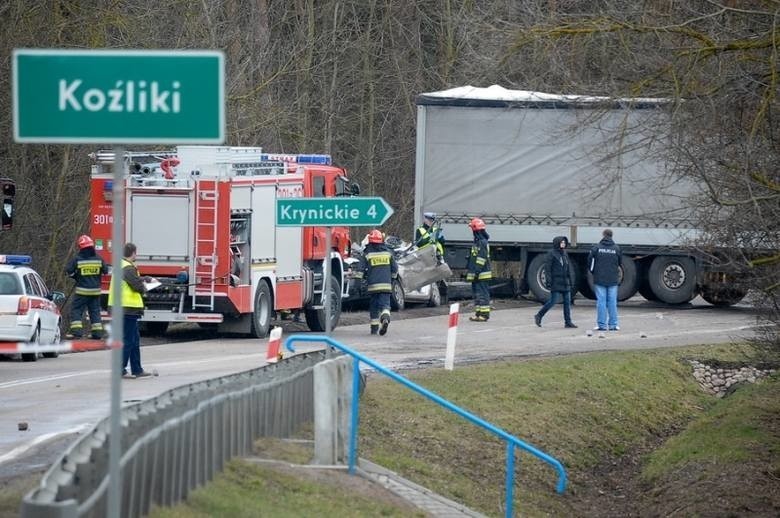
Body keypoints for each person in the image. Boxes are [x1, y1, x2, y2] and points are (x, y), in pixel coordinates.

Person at [108, 242, 152, 379]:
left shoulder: (121, 266)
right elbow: (137, 286)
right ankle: (120, 369)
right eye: (136, 253)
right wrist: (148, 285)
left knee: (134, 340)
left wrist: (144, 279)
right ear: (133, 253)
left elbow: (133, 280)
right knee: (128, 340)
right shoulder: (128, 268)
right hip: (127, 309)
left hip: (123, 309)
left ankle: (137, 369)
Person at [354, 229, 398, 335]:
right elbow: (395, 269)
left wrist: (358, 285)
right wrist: (391, 280)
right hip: (386, 286)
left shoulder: (367, 254)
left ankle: (374, 329)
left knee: (374, 307)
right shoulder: (388, 253)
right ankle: (385, 318)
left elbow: (359, 271)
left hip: (373, 287)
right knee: (385, 306)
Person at [65, 235, 108, 339]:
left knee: (76, 310)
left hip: (82, 292)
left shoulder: (77, 259)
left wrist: (76, 277)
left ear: (81, 247)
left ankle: (77, 333)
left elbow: (68, 270)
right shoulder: (99, 259)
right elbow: (106, 271)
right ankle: (97, 334)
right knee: (95, 311)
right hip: (95, 292)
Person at [534, 236, 577, 328]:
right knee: (553, 301)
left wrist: (571, 280)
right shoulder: (551, 254)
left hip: (565, 282)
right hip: (556, 281)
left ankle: (568, 322)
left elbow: (568, 267)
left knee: (567, 302)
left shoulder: (565, 253)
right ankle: (539, 315)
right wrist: (549, 281)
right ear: (557, 243)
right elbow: (548, 268)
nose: (563, 244)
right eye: (562, 243)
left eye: (564, 243)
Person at [588, 228, 622, 331]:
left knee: (601, 302)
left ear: (603, 235)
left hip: (599, 279)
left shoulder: (596, 248)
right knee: (612, 302)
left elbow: (590, 262)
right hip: (612, 279)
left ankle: (601, 325)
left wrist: (593, 272)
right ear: (612, 236)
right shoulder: (616, 248)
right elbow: (619, 262)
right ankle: (613, 325)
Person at [466, 218, 492, 321]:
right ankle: (478, 313)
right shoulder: (478, 242)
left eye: (472, 229)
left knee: (483, 294)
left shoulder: (483, 242)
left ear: (476, 230)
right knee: (477, 294)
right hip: (477, 274)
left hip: (482, 273)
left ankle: (484, 315)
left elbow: (481, 258)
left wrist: (476, 271)